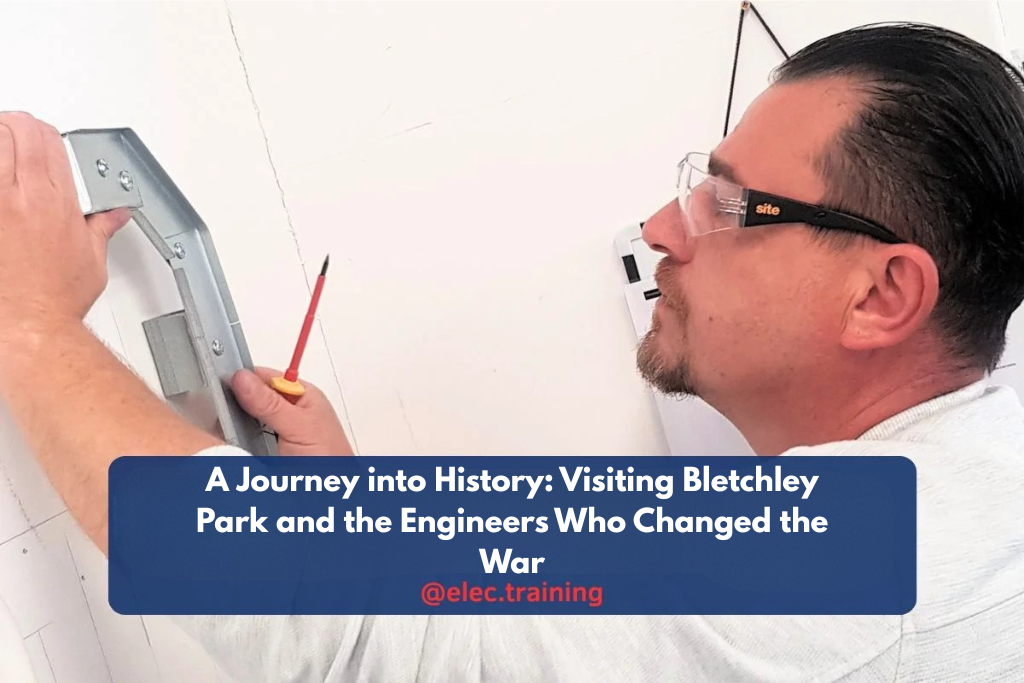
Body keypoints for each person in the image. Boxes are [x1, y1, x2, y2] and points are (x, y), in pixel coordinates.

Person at [0, 21, 1022, 683]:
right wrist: (356, 516)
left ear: (882, 293)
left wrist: (34, 319)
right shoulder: (974, 465)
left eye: (726, 204)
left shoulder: (866, 570)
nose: (661, 228)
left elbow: (331, 623)